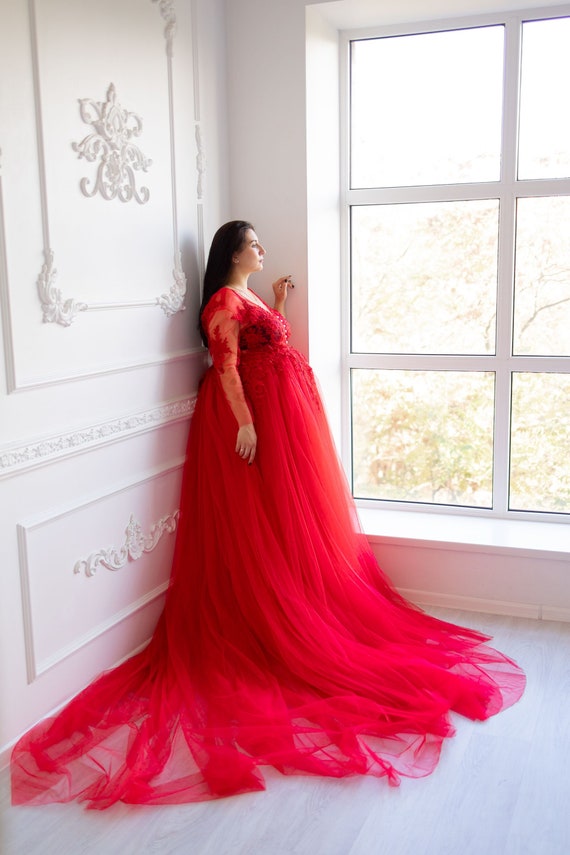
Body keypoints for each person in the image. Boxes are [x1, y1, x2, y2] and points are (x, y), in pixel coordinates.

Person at [11, 221, 525, 809]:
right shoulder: (225, 300)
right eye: (253, 242)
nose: (261, 248)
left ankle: (300, 601)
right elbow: (225, 365)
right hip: (250, 420)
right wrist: (247, 423)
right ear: (232, 252)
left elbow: (263, 345)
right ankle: (279, 619)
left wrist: (277, 305)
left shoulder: (248, 296)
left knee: (285, 524)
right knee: (258, 528)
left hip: (280, 413)